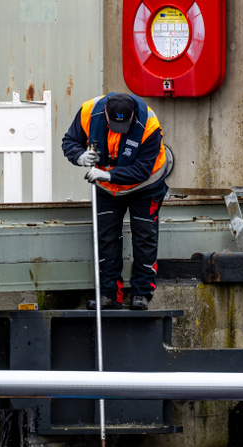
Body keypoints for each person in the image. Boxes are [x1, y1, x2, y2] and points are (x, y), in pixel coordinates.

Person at [62, 92, 173, 310]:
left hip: (145, 185)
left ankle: (142, 293)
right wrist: (80, 156)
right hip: (106, 187)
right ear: (105, 114)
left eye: (124, 126)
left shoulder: (149, 124)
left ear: (132, 117)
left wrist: (109, 174)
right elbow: (70, 141)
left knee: (144, 236)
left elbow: (142, 170)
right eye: (113, 124)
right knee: (106, 237)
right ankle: (110, 294)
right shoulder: (87, 111)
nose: (117, 130)